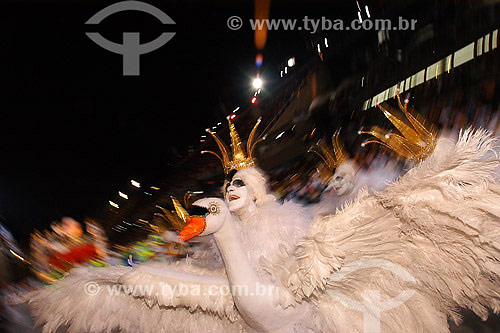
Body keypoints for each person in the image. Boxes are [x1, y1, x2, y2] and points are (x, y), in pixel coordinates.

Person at [29, 113, 500, 332]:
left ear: (255, 192)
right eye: (225, 188)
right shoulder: (219, 241)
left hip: (310, 311)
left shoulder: (290, 221)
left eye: (238, 186)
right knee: (127, 282)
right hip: (253, 315)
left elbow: (310, 270)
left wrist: (437, 163)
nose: (230, 192)